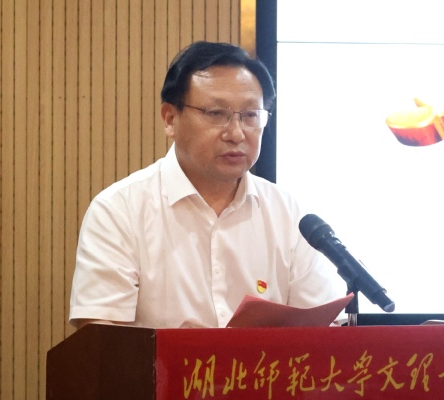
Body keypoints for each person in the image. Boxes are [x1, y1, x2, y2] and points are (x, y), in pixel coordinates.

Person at [69, 41, 346, 330]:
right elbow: (100, 340)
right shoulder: (119, 211)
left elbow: (323, 333)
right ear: (170, 119)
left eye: (251, 115)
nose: (236, 133)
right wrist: (182, 351)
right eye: (216, 113)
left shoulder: (289, 214)